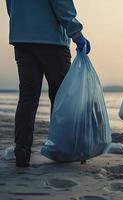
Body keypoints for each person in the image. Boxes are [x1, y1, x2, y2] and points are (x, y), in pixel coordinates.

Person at [5, 0, 91, 167]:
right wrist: (77, 33)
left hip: (22, 39)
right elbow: (62, 5)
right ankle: (62, 147)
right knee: (61, 97)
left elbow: (11, 6)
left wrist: (23, 24)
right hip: (52, 41)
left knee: (27, 97)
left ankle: (22, 148)